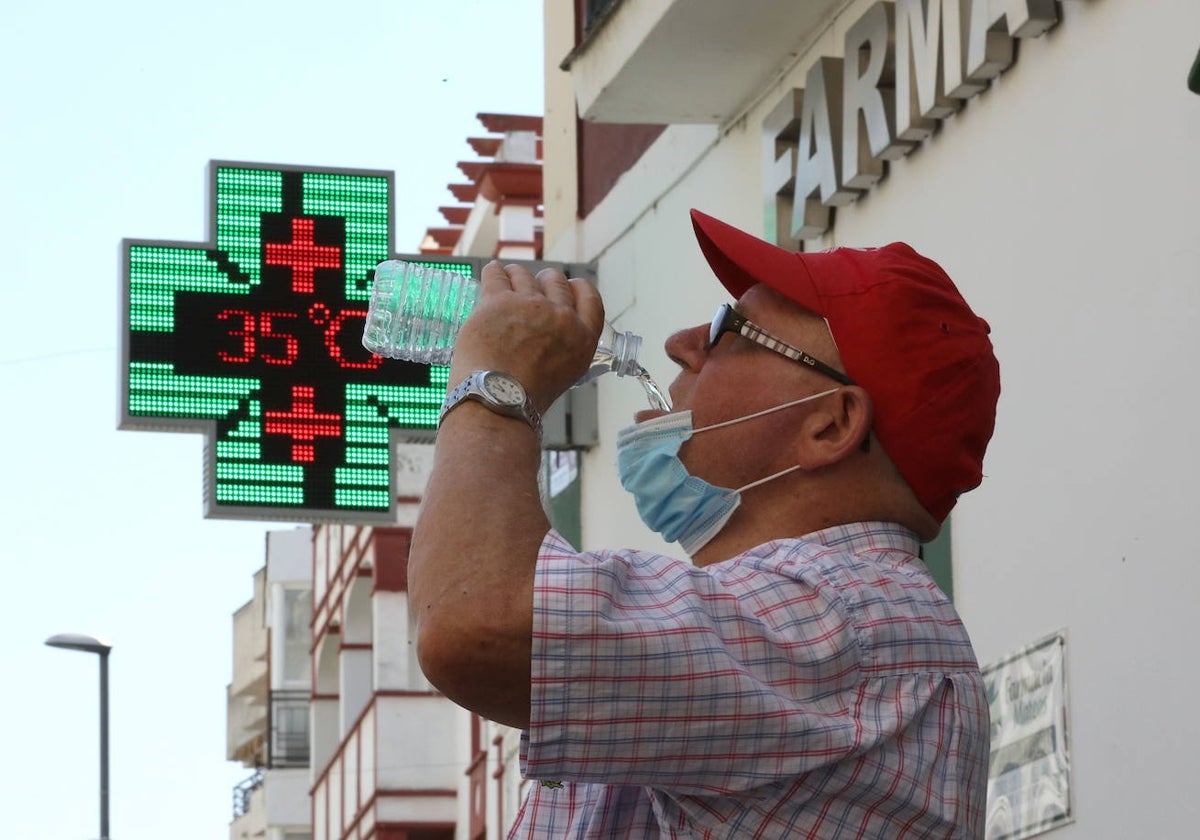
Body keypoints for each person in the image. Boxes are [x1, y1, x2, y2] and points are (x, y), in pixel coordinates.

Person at [408, 209, 1001, 838]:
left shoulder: (849, 615)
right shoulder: (790, 619)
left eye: (730, 330)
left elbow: (472, 624)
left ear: (829, 424)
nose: (681, 342)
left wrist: (492, 384)